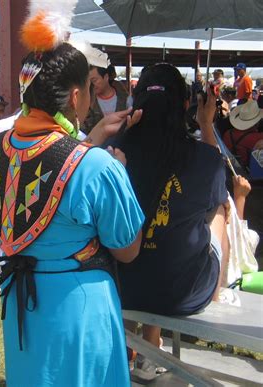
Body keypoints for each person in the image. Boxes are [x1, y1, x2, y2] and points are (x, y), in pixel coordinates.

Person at [0, 4, 144, 385]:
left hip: (22, 305)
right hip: (78, 307)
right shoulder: (95, 166)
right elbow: (127, 248)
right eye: (89, 87)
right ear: (75, 96)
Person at [116, 63, 229, 381]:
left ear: (135, 104)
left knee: (140, 244)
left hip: (124, 286)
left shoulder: (114, 152)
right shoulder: (203, 158)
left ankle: (129, 351)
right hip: (183, 291)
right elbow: (215, 185)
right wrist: (206, 125)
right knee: (219, 209)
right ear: (184, 104)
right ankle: (218, 290)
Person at [83, 58, 131, 135]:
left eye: (94, 80)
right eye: (88, 82)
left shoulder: (126, 100)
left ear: (106, 77)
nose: (91, 85)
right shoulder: (87, 102)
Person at [223, 100, 263, 169]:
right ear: (257, 122)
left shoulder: (227, 134)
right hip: (249, 173)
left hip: (231, 169)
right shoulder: (258, 138)